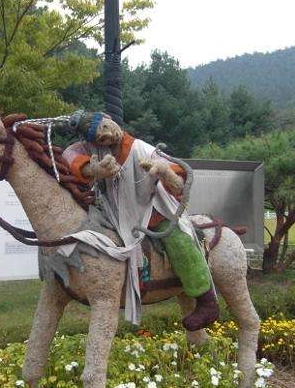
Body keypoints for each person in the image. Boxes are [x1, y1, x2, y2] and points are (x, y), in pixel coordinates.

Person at [62, 111, 218, 331]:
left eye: (106, 129)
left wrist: (164, 171)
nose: (106, 137)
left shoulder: (142, 149)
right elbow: (69, 155)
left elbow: (178, 182)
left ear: (111, 121)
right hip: (112, 214)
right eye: (99, 137)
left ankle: (206, 300)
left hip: (152, 210)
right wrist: (92, 169)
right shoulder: (93, 149)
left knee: (178, 240)